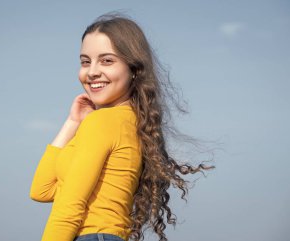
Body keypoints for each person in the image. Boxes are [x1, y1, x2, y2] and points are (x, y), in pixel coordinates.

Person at [30, 12, 214, 241]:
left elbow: (68, 210)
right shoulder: (130, 122)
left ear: (133, 69)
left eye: (107, 60)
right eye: (85, 61)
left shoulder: (103, 122)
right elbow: (41, 190)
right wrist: (73, 122)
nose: (92, 71)